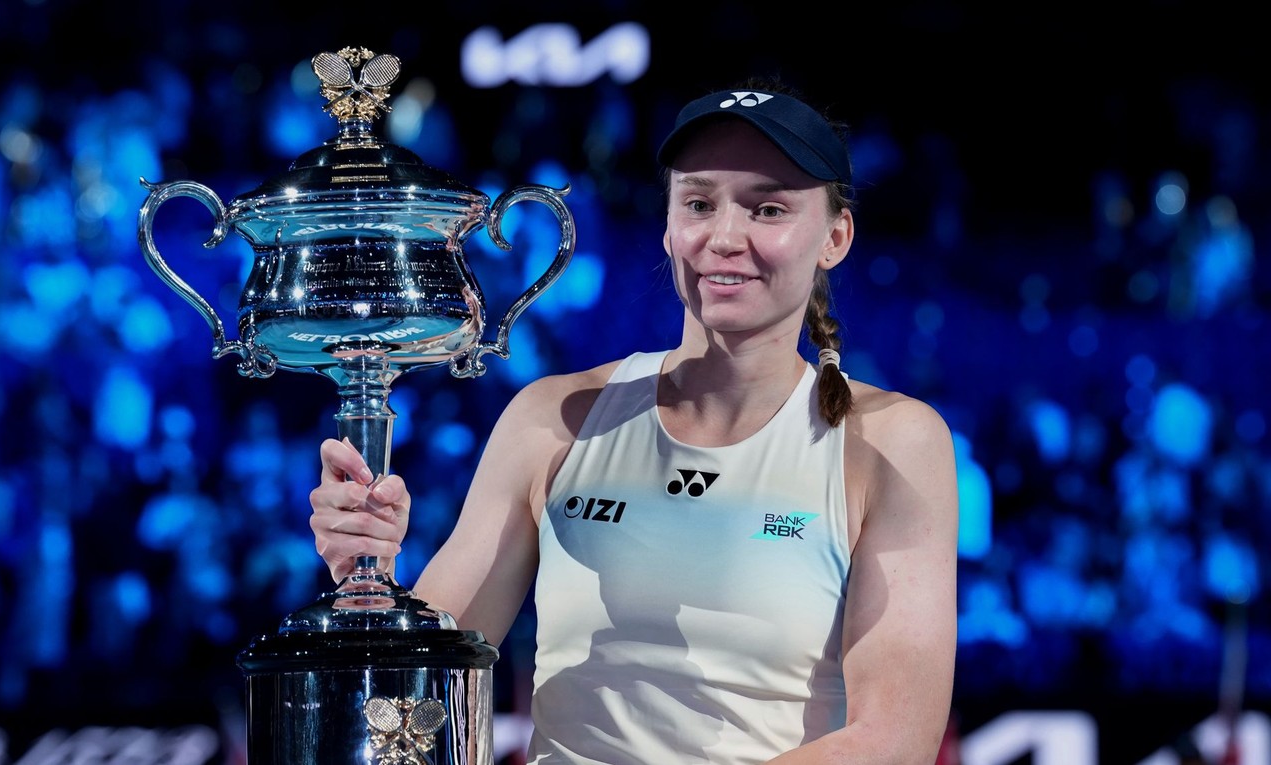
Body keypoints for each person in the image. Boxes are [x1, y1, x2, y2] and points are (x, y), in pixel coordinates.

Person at [309, 77, 960, 764]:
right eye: (700, 202)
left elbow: (895, 739)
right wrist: (365, 578)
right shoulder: (552, 420)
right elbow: (417, 693)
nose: (725, 237)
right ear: (669, 224)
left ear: (835, 236)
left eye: (767, 208)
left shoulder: (890, 442)